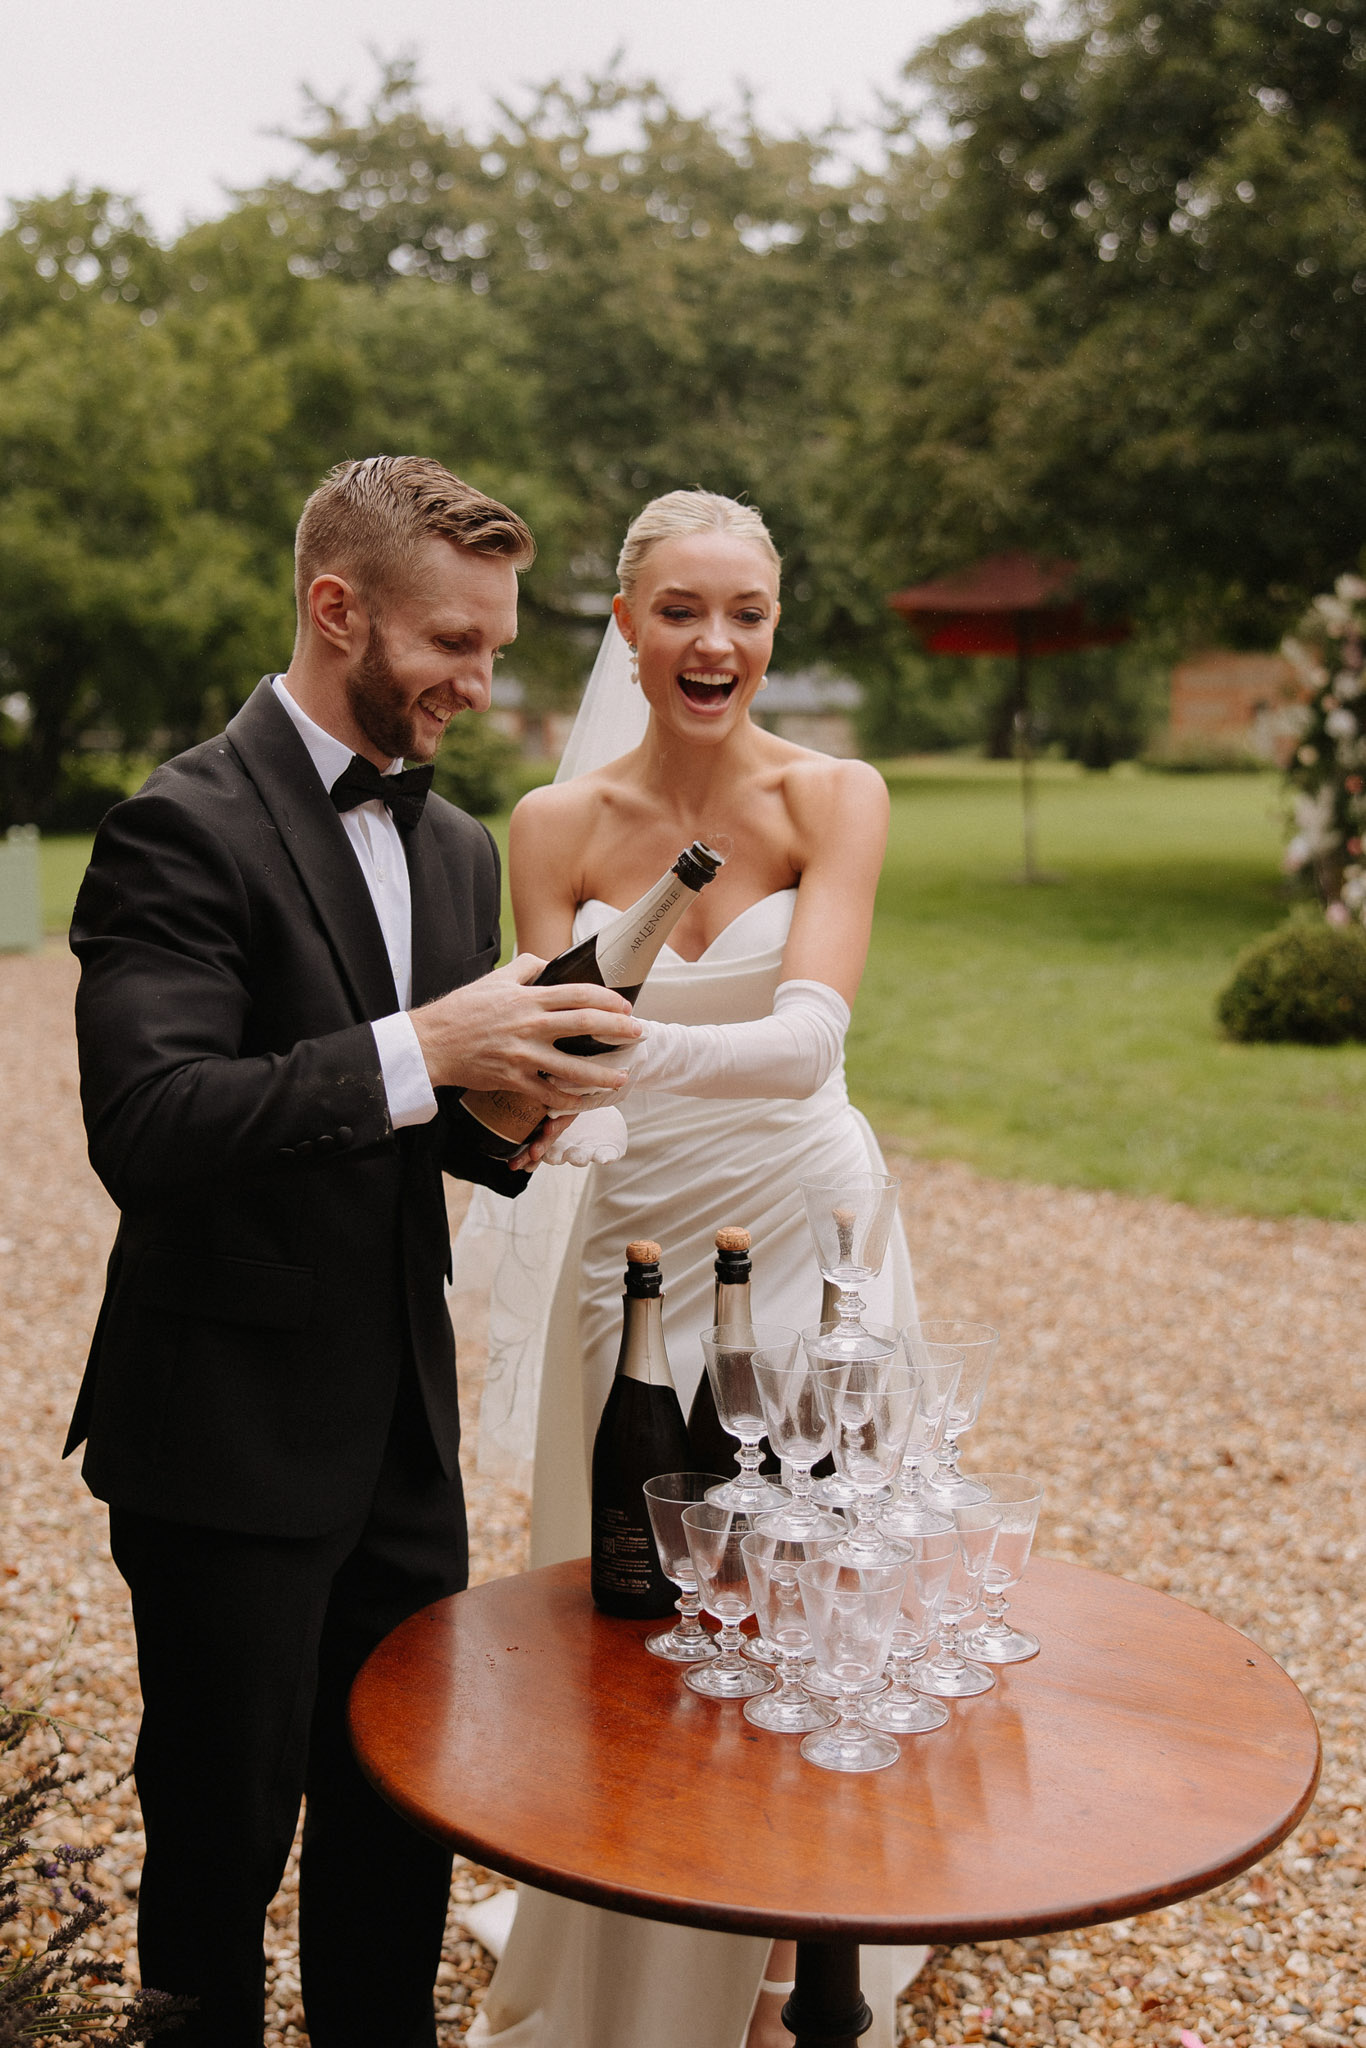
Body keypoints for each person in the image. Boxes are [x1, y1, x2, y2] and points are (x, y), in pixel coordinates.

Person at [64, 455, 643, 2048]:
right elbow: (153, 1123)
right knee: (224, 1836)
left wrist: (522, 1107)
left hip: (399, 1430)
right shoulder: (176, 827)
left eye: (495, 646)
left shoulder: (454, 850)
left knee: (398, 1823)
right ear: (338, 609)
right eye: (453, 644)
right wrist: (427, 1042)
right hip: (224, 1442)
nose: (480, 681)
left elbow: (430, 1124)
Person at [451, 490, 920, 2048]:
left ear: (773, 628)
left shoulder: (831, 795)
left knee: (806, 1575)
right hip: (628, 1245)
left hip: (805, 1222)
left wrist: (611, 1047)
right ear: (626, 629)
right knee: (635, 1583)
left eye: (746, 613)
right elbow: (547, 1097)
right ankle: (637, 1914)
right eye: (679, 612)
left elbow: (805, 1051)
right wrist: (532, 1098)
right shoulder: (552, 828)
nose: (715, 642)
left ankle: (802, 1946)